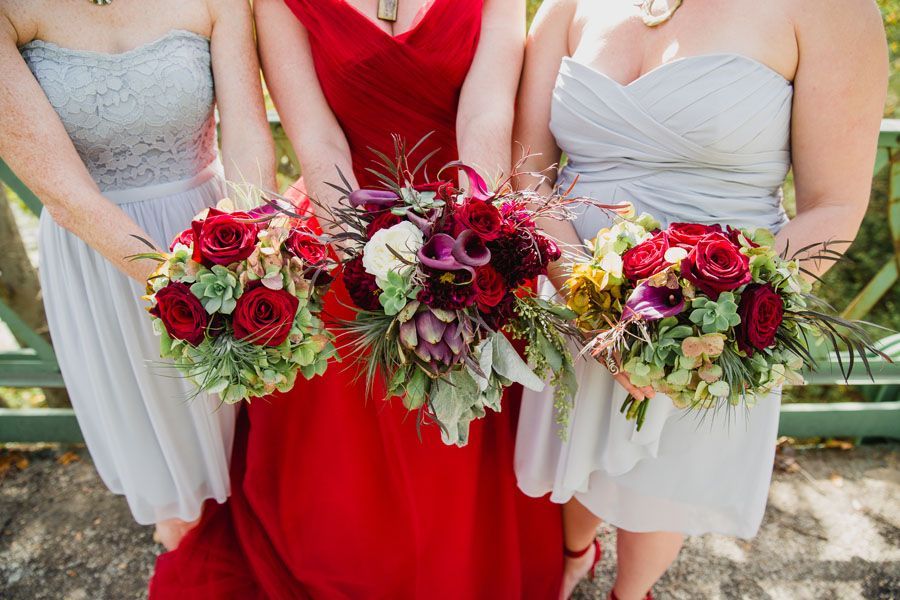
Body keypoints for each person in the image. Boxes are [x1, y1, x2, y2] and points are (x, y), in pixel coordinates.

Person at [149, 0, 564, 597]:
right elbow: (318, 142)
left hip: (466, 233)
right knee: (346, 467)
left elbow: (486, 118)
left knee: (459, 451)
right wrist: (372, 275)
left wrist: (463, 258)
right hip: (340, 225)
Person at [511, 0, 887, 598]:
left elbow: (834, 205)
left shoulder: (831, 11)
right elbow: (527, 174)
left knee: (664, 485)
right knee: (572, 464)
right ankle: (574, 557)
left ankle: (631, 593)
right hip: (569, 285)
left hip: (711, 313)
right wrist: (589, 302)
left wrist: (710, 329)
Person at [0, 0, 275, 549]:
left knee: (248, 431)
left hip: (214, 235)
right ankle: (187, 555)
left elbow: (246, 135)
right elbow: (65, 193)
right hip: (98, 256)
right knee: (166, 457)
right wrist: (176, 287)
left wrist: (255, 254)